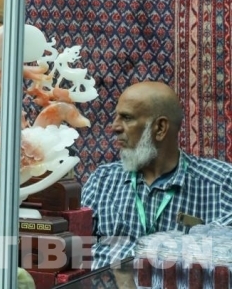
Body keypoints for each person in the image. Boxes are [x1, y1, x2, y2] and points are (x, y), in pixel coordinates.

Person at [81, 81, 232, 269]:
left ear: (160, 128)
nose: (115, 127)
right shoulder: (102, 182)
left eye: (127, 118)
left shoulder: (222, 183)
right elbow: (76, 254)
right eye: (117, 117)